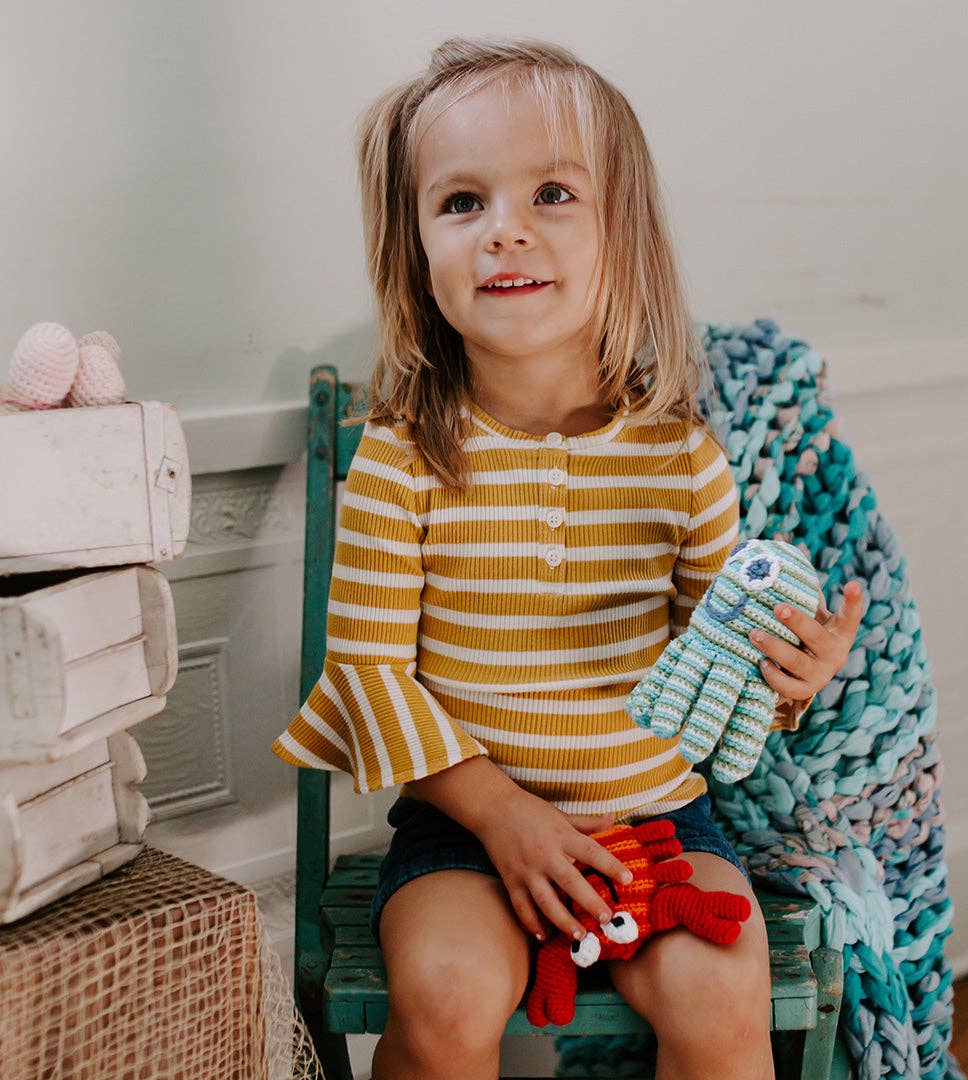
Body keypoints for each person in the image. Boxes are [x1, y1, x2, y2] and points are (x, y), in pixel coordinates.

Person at [271, 35, 862, 1080]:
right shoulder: (407, 459)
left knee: (727, 1007)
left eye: (552, 193)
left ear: (624, 238)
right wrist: (503, 816)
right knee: (445, 1002)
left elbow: (717, 669)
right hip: (465, 825)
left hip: (661, 818)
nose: (504, 231)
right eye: (461, 203)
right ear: (417, 250)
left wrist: (788, 680)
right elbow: (366, 673)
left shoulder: (683, 460)